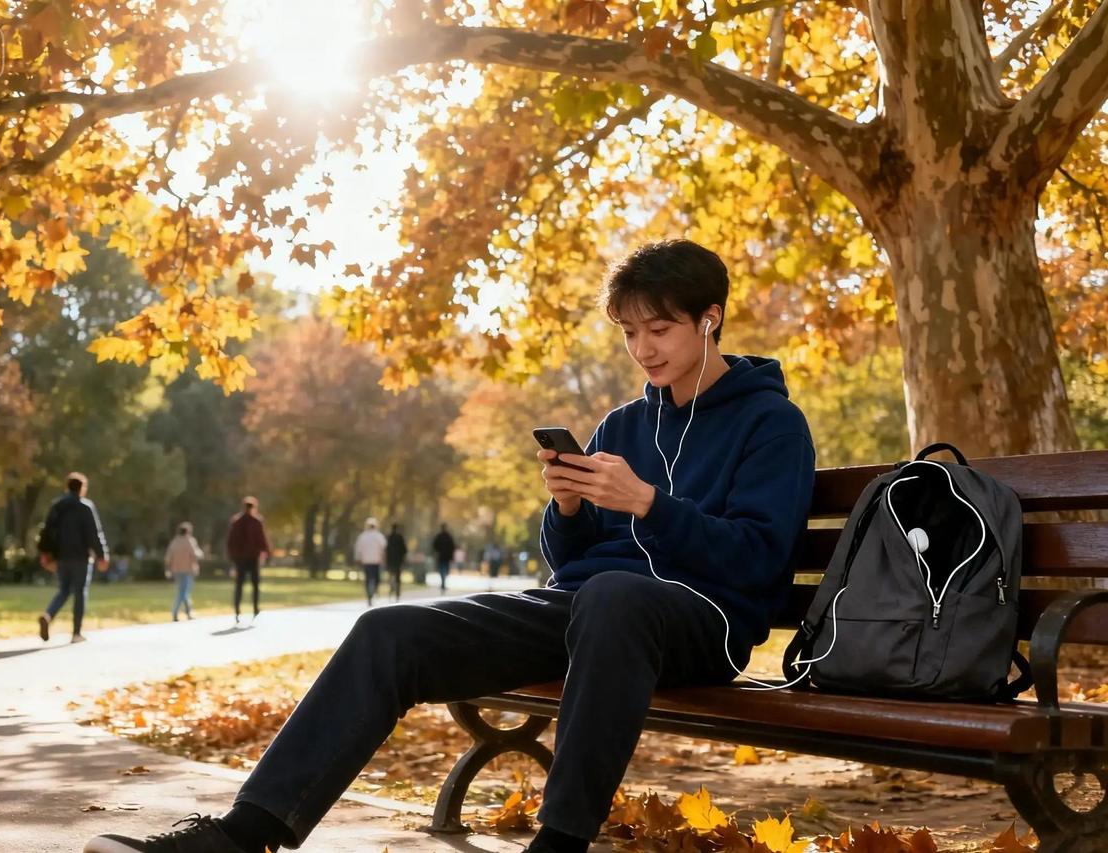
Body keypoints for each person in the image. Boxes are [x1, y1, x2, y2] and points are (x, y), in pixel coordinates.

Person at [84, 239, 816, 853]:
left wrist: (651, 505)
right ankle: (246, 833)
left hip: (703, 623)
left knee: (612, 596)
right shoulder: (625, 423)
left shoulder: (770, 424)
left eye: (658, 329)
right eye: (629, 332)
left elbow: (755, 560)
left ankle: (558, 844)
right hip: (589, 610)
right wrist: (566, 506)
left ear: (709, 318)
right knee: (389, 630)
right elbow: (573, 562)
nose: (641, 348)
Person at [37, 472, 108, 644]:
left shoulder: (57, 506)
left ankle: (48, 615)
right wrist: (102, 555)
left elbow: (46, 531)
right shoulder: (86, 507)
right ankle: (76, 633)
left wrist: (45, 553)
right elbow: (94, 534)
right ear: (82, 488)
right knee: (80, 592)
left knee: (64, 590)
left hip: (61, 556)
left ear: (67, 487)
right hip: (80, 557)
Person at [227, 497, 271, 625]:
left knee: (239, 585)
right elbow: (262, 539)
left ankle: (237, 609)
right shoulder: (256, 521)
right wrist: (266, 552)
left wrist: (232, 556)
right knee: (254, 585)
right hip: (252, 557)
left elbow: (231, 541)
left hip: (241, 558)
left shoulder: (237, 521)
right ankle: (255, 608)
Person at [165, 522, 203, 621]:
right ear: (188, 532)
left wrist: (168, 568)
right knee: (183, 592)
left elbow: (168, 557)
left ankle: (188, 612)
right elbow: (195, 554)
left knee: (183, 591)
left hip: (176, 570)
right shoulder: (189, 541)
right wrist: (200, 553)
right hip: (187, 570)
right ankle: (175, 612)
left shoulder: (174, 541)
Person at [352, 517, 386, 607]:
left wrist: (358, 558)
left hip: (366, 561)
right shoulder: (379, 536)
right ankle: (372, 593)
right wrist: (384, 558)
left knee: (368, 580)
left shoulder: (362, 536)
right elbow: (384, 549)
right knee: (376, 579)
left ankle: (369, 595)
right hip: (376, 561)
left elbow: (358, 549)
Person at [384, 522, 407, 601]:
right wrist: (402, 559)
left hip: (390, 561)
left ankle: (391, 589)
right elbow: (404, 550)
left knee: (391, 576)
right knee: (397, 578)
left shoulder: (389, 537)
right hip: (398, 561)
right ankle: (397, 592)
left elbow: (386, 549)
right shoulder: (400, 537)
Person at [431, 523, 456, 593]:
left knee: (442, 570)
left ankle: (443, 582)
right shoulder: (447, 536)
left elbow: (434, 546)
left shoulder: (440, 536)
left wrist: (437, 551)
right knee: (444, 570)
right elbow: (452, 547)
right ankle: (443, 583)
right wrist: (451, 556)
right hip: (445, 556)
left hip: (442, 556)